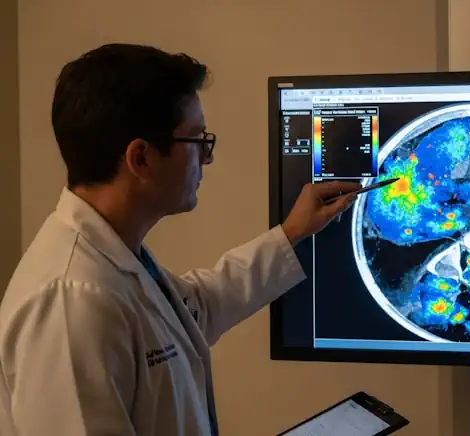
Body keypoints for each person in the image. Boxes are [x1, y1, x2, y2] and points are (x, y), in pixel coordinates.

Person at [0, 43, 361, 436]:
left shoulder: (115, 260)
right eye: (197, 140)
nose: (207, 158)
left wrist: (292, 234)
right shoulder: (72, 302)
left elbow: (195, 310)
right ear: (141, 158)